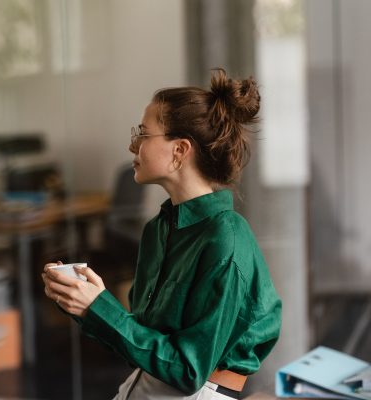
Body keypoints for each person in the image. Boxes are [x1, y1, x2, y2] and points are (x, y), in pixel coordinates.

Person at [41, 68, 282, 400]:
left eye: (143, 134)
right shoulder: (159, 229)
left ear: (180, 150)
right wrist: (87, 306)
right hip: (144, 386)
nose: (131, 145)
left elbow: (188, 371)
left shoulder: (227, 240)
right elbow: (144, 344)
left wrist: (99, 308)